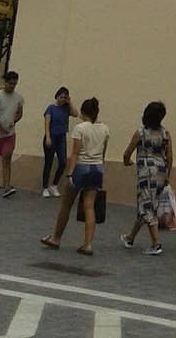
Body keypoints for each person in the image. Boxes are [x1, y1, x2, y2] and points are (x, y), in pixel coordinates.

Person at [40, 96, 109, 255]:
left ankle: (56, 238)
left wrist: (69, 173)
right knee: (89, 206)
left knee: (66, 204)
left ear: (83, 112)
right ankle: (88, 244)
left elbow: (75, 153)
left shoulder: (80, 128)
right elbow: (103, 153)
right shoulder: (105, 128)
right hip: (97, 168)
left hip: (82, 168)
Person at [120, 100, 172, 255]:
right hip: (161, 172)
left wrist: (127, 162)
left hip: (146, 173)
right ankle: (130, 238)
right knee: (147, 204)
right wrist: (168, 175)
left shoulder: (141, 133)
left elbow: (127, 153)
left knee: (148, 207)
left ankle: (156, 244)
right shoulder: (166, 134)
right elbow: (170, 157)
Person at [0, 69, 24, 197]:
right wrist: (1, 126)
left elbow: (20, 112)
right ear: (5, 82)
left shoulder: (18, 98)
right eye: (10, 83)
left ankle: (7, 186)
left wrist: (13, 121)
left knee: (7, 157)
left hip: (9, 135)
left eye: (15, 83)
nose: (12, 86)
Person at [42, 86, 75, 196]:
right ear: (57, 97)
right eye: (61, 97)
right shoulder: (51, 108)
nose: (62, 99)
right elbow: (47, 123)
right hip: (51, 137)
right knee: (49, 162)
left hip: (61, 138)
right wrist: (48, 137)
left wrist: (70, 103)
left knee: (63, 162)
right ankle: (45, 187)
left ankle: (54, 185)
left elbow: (76, 114)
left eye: (65, 97)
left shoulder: (66, 109)